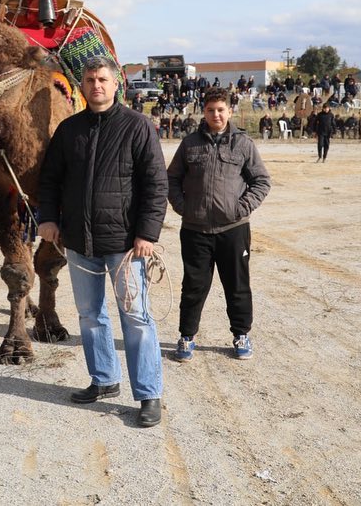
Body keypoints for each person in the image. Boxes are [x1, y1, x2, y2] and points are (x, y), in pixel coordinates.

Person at [38, 55, 168, 428]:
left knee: (136, 318)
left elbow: (156, 186)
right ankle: (104, 379)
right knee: (91, 316)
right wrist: (48, 219)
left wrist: (147, 234)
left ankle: (147, 393)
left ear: (116, 85)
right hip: (79, 242)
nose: (97, 85)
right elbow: (50, 180)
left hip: (126, 246)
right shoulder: (69, 130)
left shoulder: (138, 127)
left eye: (103, 79)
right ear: (83, 86)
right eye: (91, 79)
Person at [167, 86, 271, 363]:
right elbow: (172, 179)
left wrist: (241, 207)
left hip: (233, 230)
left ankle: (241, 335)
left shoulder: (243, 144)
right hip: (195, 230)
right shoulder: (189, 144)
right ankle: (187, 337)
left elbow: (261, 181)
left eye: (221, 109)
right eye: (211, 110)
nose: (216, 114)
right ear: (203, 111)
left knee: (237, 285)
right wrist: (183, 206)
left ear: (230, 110)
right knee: (193, 286)